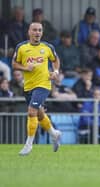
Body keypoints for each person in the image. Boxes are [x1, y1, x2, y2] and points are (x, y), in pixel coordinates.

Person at [12, 22, 62, 156]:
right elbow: (14, 64)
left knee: (31, 111)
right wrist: (25, 68)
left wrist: (55, 72)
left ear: (42, 32)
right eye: (34, 30)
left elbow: (55, 60)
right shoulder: (21, 47)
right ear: (29, 32)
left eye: (39, 30)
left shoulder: (47, 47)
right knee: (39, 114)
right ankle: (54, 133)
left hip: (43, 84)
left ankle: (28, 145)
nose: (37, 33)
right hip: (28, 86)